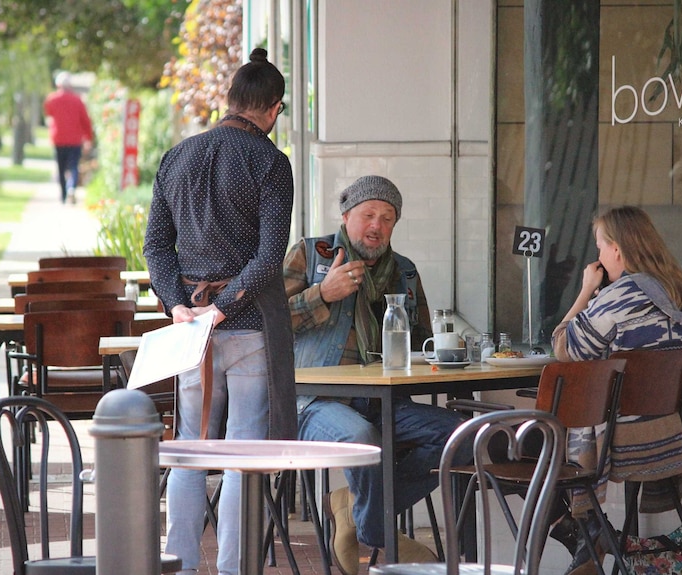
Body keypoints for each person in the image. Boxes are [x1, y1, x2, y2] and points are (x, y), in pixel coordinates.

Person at [144, 48, 296, 575]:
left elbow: (156, 248)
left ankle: (180, 565)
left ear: (231, 100)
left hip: (193, 333)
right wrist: (225, 307)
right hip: (248, 327)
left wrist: (180, 306)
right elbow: (269, 257)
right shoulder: (272, 164)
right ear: (273, 110)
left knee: (190, 449)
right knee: (241, 454)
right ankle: (234, 569)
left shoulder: (175, 157)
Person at [283, 175, 470, 575]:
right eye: (368, 214)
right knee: (361, 439)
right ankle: (379, 530)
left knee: (463, 437)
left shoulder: (404, 271)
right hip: (313, 401)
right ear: (346, 215)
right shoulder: (309, 254)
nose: (376, 225)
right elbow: (268, 325)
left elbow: (423, 343)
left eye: (387, 218)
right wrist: (323, 294)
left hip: (384, 400)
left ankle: (359, 513)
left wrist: (450, 351)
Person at [550, 205, 682, 575]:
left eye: (600, 246)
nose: (598, 256)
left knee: (534, 445)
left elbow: (565, 347)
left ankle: (585, 531)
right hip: (667, 431)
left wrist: (586, 290)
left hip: (620, 436)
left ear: (617, 249)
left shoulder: (623, 293)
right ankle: (587, 535)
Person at [43, 71, 93, 204]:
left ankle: (64, 195)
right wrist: (88, 138)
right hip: (75, 140)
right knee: (73, 166)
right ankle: (71, 188)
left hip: (58, 139)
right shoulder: (77, 100)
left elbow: (48, 114)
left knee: (60, 167)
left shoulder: (52, 100)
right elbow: (85, 121)